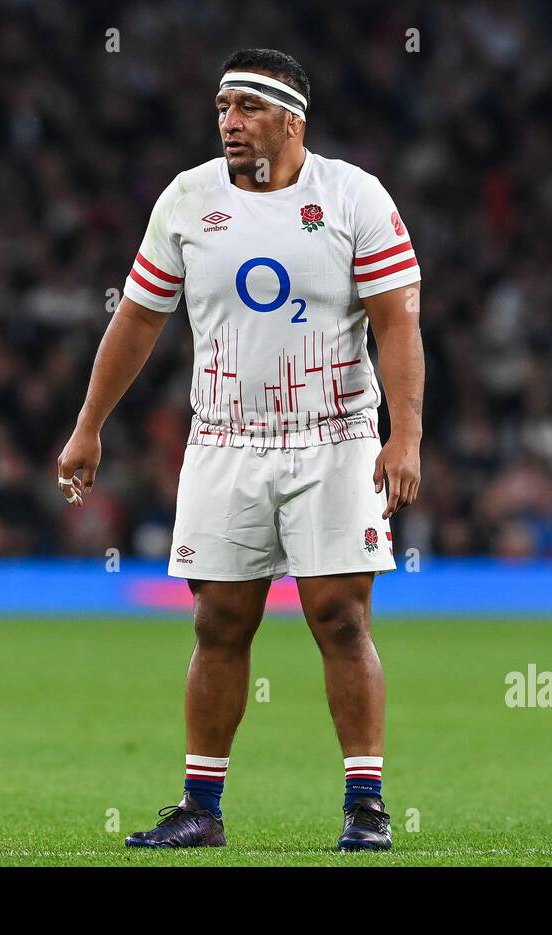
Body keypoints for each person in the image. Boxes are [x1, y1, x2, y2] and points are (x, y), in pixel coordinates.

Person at [57, 48, 423, 851]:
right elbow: (139, 319)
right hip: (225, 439)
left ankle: (366, 806)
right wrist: (90, 424)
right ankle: (202, 809)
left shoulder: (355, 197)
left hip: (334, 437)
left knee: (340, 616)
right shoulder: (188, 200)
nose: (229, 122)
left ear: (291, 119)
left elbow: (397, 321)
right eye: (222, 107)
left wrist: (406, 435)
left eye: (247, 108)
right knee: (220, 621)